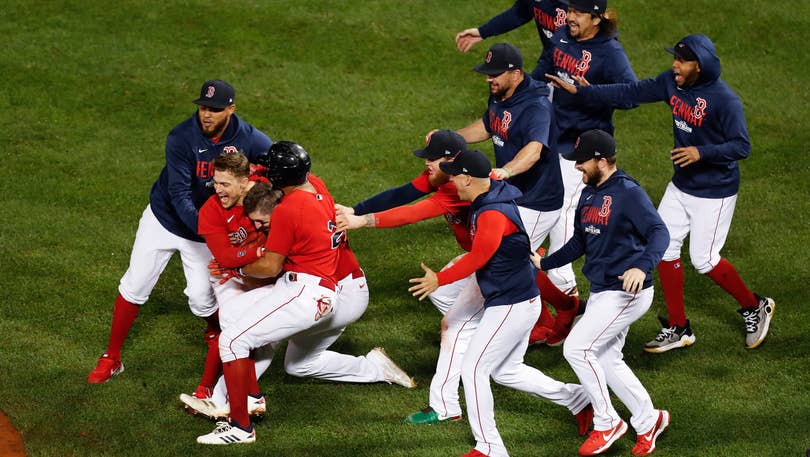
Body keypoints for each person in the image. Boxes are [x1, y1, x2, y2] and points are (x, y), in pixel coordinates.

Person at [547, 34, 775, 352]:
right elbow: (634, 91)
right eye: (675, 59)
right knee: (665, 248)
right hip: (680, 185)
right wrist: (586, 91)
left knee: (704, 259)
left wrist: (701, 152)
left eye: (682, 61)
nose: (675, 65)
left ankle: (755, 306)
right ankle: (679, 327)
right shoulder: (672, 83)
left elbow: (742, 145)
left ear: (700, 65)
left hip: (715, 192)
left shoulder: (725, 101)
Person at [196, 142, 414, 445]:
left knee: (238, 338)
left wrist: (239, 271)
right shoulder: (317, 187)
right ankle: (373, 367)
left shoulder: (288, 210)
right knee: (299, 365)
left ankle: (240, 419)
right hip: (331, 288)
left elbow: (271, 265)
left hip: (325, 290)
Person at [87, 80, 273, 384]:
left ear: (231, 109)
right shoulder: (181, 137)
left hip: (206, 230)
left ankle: (216, 330)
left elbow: (277, 163)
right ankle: (112, 357)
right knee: (135, 285)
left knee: (201, 299)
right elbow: (178, 193)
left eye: (214, 109)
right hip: (165, 219)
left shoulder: (250, 138)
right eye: (203, 108)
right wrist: (210, 230)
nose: (207, 115)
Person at [409, 149, 592, 457]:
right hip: (516, 300)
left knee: (474, 368)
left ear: (467, 179)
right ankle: (577, 399)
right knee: (507, 371)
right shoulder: (489, 196)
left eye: (454, 176)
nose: (450, 180)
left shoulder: (492, 213)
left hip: (512, 304)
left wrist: (440, 280)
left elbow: (479, 256)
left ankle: (490, 447)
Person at [536, 129, 670, 456]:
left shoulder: (628, 193)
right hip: (602, 292)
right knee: (607, 359)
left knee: (577, 349)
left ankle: (607, 422)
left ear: (601, 160)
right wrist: (546, 263)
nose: (577, 167)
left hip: (627, 292)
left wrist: (643, 266)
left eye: (582, 161)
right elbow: (581, 241)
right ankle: (649, 419)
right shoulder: (589, 192)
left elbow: (659, 233)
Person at [440, 42, 579, 346]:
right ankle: (560, 309)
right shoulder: (500, 95)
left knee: (497, 261)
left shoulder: (535, 106)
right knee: (516, 259)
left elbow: (534, 150)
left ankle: (537, 321)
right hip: (513, 194)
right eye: (487, 74)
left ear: (516, 73)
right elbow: (490, 126)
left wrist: (507, 170)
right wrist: (451, 138)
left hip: (537, 199)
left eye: (496, 74)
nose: (490, 79)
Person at [532, 0, 637, 338]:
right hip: (552, 140)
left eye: (577, 13)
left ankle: (568, 302)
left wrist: (590, 93)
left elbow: (631, 95)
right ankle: (558, 299)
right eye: (569, 10)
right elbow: (542, 71)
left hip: (583, 152)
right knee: (547, 215)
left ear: (596, 18)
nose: (569, 17)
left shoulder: (610, 52)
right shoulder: (562, 35)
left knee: (563, 224)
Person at [179, 151, 276, 415]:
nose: (217, 190)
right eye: (215, 182)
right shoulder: (211, 210)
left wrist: (249, 260)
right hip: (229, 275)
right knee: (232, 325)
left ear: (244, 182)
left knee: (255, 334)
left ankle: (233, 394)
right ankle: (220, 391)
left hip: (265, 274)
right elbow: (223, 257)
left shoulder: (266, 195)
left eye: (225, 184)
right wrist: (257, 254)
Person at [455, 0, 567, 58]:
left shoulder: (576, 6)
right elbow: (519, 13)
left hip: (579, 67)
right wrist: (482, 32)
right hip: (551, 60)